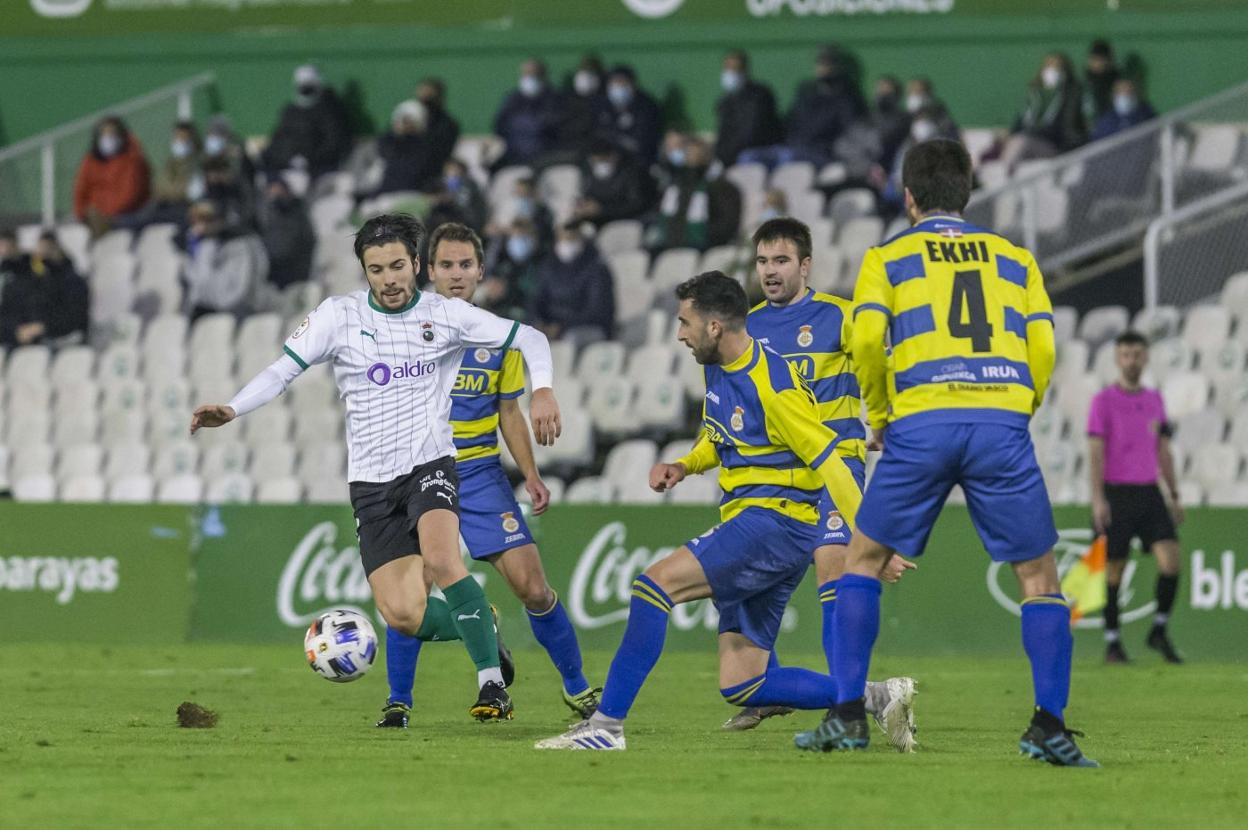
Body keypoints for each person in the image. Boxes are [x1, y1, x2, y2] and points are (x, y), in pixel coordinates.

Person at [795, 139, 1098, 767]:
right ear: (968, 193)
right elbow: (1042, 347)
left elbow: (870, 339)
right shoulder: (1014, 258)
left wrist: (879, 414)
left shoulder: (889, 257)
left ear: (908, 196)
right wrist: (1020, 405)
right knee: (1040, 578)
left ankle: (849, 713)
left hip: (923, 418)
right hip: (999, 421)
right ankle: (1048, 725)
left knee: (863, 561)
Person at [189, 213, 562, 722]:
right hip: (370, 482)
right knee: (404, 615)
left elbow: (532, 340)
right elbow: (283, 370)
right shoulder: (337, 317)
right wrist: (233, 408)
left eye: (397, 266)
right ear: (364, 272)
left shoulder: (446, 315)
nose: (389, 279)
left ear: (415, 264)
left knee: (444, 561)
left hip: (430, 463)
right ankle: (480, 622)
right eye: (376, 269)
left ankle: (491, 685)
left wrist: (542, 389)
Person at [534, 271, 865, 751]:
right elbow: (722, 433)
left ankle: (606, 727)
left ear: (714, 327)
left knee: (653, 586)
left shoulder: (773, 383)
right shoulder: (718, 365)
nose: (679, 333)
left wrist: (871, 538)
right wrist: (685, 464)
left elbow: (829, 456)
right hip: (759, 521)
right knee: (743, 681)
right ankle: (875, 697)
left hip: (776, 520)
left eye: (685, 322)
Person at [378, 222, 600, 729]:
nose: (456, 275)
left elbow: (508, 411)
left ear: (480, 270)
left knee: (534, 587)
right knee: (416, 587)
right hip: (417, 471)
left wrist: (531, 474)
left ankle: (577, 689)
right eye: (446, 266)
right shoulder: (400, 331)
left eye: (465, 265)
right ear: (427, 271)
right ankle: (398, 700)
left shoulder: (498, 336)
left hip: (478, 472)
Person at [718, 217, 918, 746]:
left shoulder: (840, 317)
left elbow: (885, 365)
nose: (770, 271)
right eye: (762, 262)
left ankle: (846, 708)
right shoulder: (748, 327)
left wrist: (883, 417)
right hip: (775, 474)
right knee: (748, 574)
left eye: (781, 261)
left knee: (834, 563)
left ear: (805, 265)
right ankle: (787, 689)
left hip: (836, 463)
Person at [1087, 331, 1184, 664]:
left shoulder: (1155, 400)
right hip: (1116, 493)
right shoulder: (1103, 402)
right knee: (1115, 571)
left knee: (1171, 562)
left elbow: (1163, 450)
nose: (1132, 360)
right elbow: (1095, 452)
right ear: (1117, 358)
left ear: (1145, 358)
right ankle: (1113, 642)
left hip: (1149, 492)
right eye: (1126, 354)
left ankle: (1158, 630)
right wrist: (1098, 499)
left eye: (1137, 354)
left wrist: (1173, 493)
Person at [739, 45, 865, 169]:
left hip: (821, 153)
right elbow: (789, 122)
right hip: (791, 146)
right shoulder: (806, 92)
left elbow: (849, 132)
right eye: (820, 62)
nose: (823, 67)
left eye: (828, 63)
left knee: (788, 157)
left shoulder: (847, 98)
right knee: (749, 157)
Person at [646, 136, 741, 253]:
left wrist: (704, 235)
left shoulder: (721, 188)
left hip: (703, 247)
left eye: (696, 154)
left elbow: (726, 225)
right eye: (688, 153)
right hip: (670, 246)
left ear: (707, 157)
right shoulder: (676, 186)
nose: (690, 157)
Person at [261, 64, 352, 181]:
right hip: (287, 165)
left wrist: (309, 159)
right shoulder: (290, 112)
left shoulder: (330, 112)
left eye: (308, 87)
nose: (304, 91)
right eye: (302, 87)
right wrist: (288, 158)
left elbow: (334, 143)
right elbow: (278, 140)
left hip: (318, 169)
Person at [181, 200, 269, 320]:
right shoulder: (205, 244)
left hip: (240, 311)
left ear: (219, 220)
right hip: (209, 309)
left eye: (205, 220)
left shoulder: (244, 244)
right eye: (195, 222)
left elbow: (242, 290)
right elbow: (197, 283)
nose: (198, 227)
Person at [0, 230, 89, 349]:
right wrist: (16, 331)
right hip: (26, 341)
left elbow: (75, 317)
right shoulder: (30, 282)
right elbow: (11, 312)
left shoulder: (73, 282)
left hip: (60, 341)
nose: (44, 255)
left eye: (50, 249)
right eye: (41, 251)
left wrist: (42, 327)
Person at [527, 223, 615, 343]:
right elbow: (537, 300)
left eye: (571, 238)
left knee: (571, 338)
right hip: (553, 327)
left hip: (588, 328)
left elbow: (597, 311)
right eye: (562, 239)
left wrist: (562, 328)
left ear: (581, 240)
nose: (566, 243)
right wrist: (539, 323)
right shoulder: (548, 266)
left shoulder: (597, 268)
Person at [1001, 53, 1087, 171]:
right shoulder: (1034, 94)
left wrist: (1030, 132)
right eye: (1048, 66)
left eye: (1056, 67)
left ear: (1064, 71)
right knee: (1015, 141)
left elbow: (1065, 128)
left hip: (1053, 145)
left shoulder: (1069, 95)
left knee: (1021, 141)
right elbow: (1020, 121)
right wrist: (1009, 134)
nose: (1051, 70)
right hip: (1029, 141)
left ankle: (1004, 181)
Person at [73, 115, 151, 236]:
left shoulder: (132, 160)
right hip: (96, 216)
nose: (108, 138)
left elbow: (130, 195)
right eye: (104, 134)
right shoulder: (90, 161)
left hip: (126, 215)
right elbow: (80, 190)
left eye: (112, 134)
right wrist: (82, 214)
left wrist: (107, 215)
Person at [714, 50, 783, 167]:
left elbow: (750, 134)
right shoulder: (725, 101)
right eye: (728, 69)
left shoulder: (759, 96)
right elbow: (723, 133)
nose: (730, 73)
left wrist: (725, 157)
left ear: (745, 70)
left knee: (746, 157)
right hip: (731, 153)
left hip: (760, 150)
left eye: (735, 69)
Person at [492, 59, 562, 168]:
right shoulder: (513, 98)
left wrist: (522, 124)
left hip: (545, 154)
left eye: (533, 74)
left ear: (543, 76)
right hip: (514, 153)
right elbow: (499, 125)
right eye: (526, 74)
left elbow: (552, 125)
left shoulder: (554, 98)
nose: (529, 78)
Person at [571, 140, 655, 227]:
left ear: (614, 156)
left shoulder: (632, 172)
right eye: (595, 161)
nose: (600, 164)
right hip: (598, 220)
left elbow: (637, 205)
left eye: (603, 160)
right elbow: (589, 195)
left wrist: (602, 210)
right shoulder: (589, 173)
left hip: (627, 221)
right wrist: (584, 206)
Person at [257, 177, 316, 289]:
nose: (272, 197)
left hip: (292, 279)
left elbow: (281, 249)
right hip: (279, 277)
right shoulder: (275, 214)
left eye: (276, 192)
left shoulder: (296, 215)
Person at [372, 99, 440, 196]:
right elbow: (385, 152)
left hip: (411, 192)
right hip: (387, 191)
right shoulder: (390, 139)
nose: (402, 124)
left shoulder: (424, 146)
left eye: (407, 121)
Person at [481, 217, 544, 319]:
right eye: (515, 235)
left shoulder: (539, 263)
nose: (518, 239)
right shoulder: (500, 260)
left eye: (522, 235)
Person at [601, 65, 662, 166]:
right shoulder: (603, 105)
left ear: (632, 84)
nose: (618, 87)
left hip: (639, 162)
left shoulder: (646, 107)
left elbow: (643, 142)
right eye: (615, 83)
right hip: (608, 161)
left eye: (622, 82)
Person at [414, 78, 461, 177]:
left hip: (431, 174)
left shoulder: (447, 124)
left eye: (429, 97)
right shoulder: (408, 120)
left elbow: (439, 153)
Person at [1089, 78, 1156, 142]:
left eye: (1130, 92)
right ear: (1114, 96)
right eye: (1122, 92)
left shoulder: (1146, 114)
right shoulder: (1106, 122)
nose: (1126, 95)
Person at [1083, 39, 1120, 125]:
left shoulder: (1117, 83)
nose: (1098, 63)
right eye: (1094, 59)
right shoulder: (1084, 83)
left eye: (1101, 59)